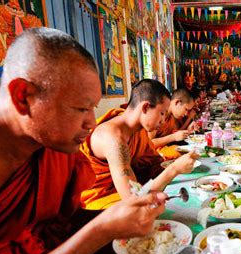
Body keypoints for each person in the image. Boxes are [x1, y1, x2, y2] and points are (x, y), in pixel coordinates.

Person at [0, 27, 166, 254]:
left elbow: (60, 228)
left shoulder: (55, 149)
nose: (92, 122)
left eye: (93, 107)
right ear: (23, 96)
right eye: (81, 108)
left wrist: (116, 223)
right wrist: (100, 230)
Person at [80, 80, 198, 210]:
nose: (164, 120)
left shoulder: (138, 129)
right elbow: (133, 199)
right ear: (145, 107)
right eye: (162, 113)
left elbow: (153, 162)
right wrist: (174, 169)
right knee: (152, 208)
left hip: (124, 188)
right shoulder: (113, 138)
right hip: (101, 200)